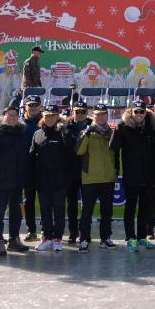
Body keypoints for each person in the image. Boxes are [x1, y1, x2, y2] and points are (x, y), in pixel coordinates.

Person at [110, 99, 155, 252]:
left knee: (145, 208)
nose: (139, 114)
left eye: (142, 112)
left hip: (148, 175)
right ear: (131, 112)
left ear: (146, 113)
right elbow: (113, 147)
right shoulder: (123, 127)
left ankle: (142, 237)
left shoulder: (151, 127)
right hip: (131, 175)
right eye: (136, 111)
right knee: (130, 208)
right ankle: (130, 238)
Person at [0, 105, 31, 255]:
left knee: (16, 213)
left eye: (14, 115)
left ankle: (14, 240)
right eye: (9, 115)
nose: (12, 118)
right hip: (1, 181)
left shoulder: (21, 134)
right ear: (3, 117)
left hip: (17, 181)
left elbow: (25, 157)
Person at [30, 104, 73, 252]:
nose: (49, 118)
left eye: (52, 116)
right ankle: (47, 238)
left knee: (59, 211)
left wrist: (65, 132)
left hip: (59, 181)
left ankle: (57, 239)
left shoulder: (64, 132)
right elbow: (32, 156)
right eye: (47, 116)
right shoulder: (37, 133)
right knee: (45, 211)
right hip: (42, 181)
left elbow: (72, 155)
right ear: (43, 117)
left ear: (57, 117)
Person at [76, 103, 118, 252]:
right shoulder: (87, 132)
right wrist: (87, 133)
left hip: (108, 178)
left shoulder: (112, 132)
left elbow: (117, 153)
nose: (100, 117)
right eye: (97, 114)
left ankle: (105, 238)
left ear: (107, 116)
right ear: (92, 116)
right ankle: (84, 239)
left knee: (107, 212)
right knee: (86, 212)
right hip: (90, 179)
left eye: (103, 114)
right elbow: (79, 151)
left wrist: (115, 172)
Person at [65, 101, 91, 245]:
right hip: (70, 171)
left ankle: (85, 234)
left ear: (86, 113)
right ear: (72, 112)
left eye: (82, 112)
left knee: (87, 205)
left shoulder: (93, 126)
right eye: (77, 112)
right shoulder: (66, 127)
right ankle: (73, 233)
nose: (80, 115)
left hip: (87, 171)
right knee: (72, 205)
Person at [20, 95, 43, 241]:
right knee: (28, 200)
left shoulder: (46, 122)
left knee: (46, 200)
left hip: (44, 167)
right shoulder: (19, 123)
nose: (33, 108)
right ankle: (31, 230)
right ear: (25, 107)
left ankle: (46, 230)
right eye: (30, 105)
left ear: (40, 106)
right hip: (27, 167)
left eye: (36, 105)